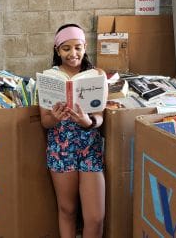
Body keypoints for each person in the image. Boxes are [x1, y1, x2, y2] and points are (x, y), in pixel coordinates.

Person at [39, 23, 105, 238]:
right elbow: (45, 121)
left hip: (89, 147)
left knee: (95, 217)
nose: (73, 53)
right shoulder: (50, 77)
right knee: (67, 210)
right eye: (66, 48)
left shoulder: (96, 75)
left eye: (78, 47)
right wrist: (55, 118)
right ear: (57, 50)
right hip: (60, 148)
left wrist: (87, 121)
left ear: (85, 47)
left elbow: (100, 116)